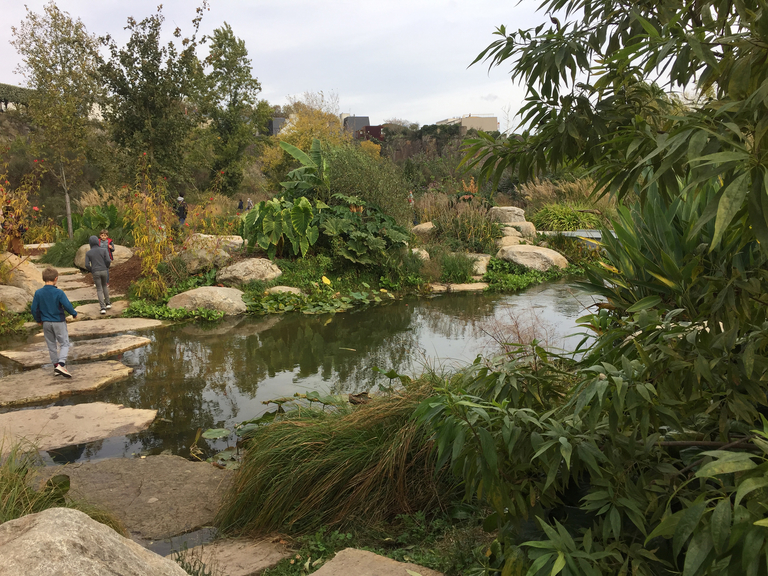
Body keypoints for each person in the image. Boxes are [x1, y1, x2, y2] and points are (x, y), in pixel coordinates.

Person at [31, 267, 78, 377]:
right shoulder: (59, 292)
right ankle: (61, 364)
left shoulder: (38, 293)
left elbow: (34, 309)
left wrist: (38, 320)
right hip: (58, 322)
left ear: (43, 278)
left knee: (51, 345)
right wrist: (74, 313)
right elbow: (67, 305)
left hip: (46, 322)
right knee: (64, 343)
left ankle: (56, 366)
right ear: (56, 278)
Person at [85, 235, 111, 315]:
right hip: (104, 270)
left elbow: (86, 265)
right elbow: (108, 260)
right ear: (97, 241)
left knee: (99, 289)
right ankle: (108, 303)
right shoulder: (103, 250)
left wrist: (91, 270)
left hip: (95, 271)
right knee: (104, 286)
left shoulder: (88, 253)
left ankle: (102, 308)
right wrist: (106, 267)